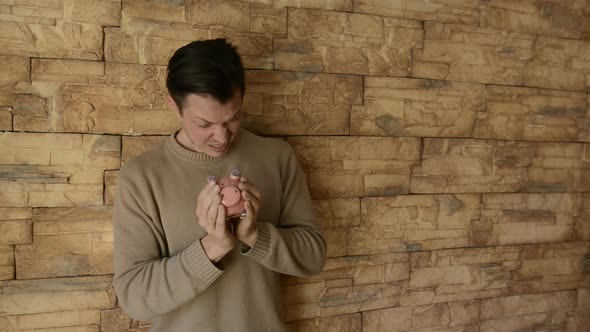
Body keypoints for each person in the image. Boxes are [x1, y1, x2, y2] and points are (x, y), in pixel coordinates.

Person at [112, 38, 327, 331]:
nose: (222, 138)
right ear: (174, 107)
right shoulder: (140, 178)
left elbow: (313, 257)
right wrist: (211, 248)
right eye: (204, 124)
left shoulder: (277, 157)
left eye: (233, 118)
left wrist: (254, 235)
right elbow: (135, 298)